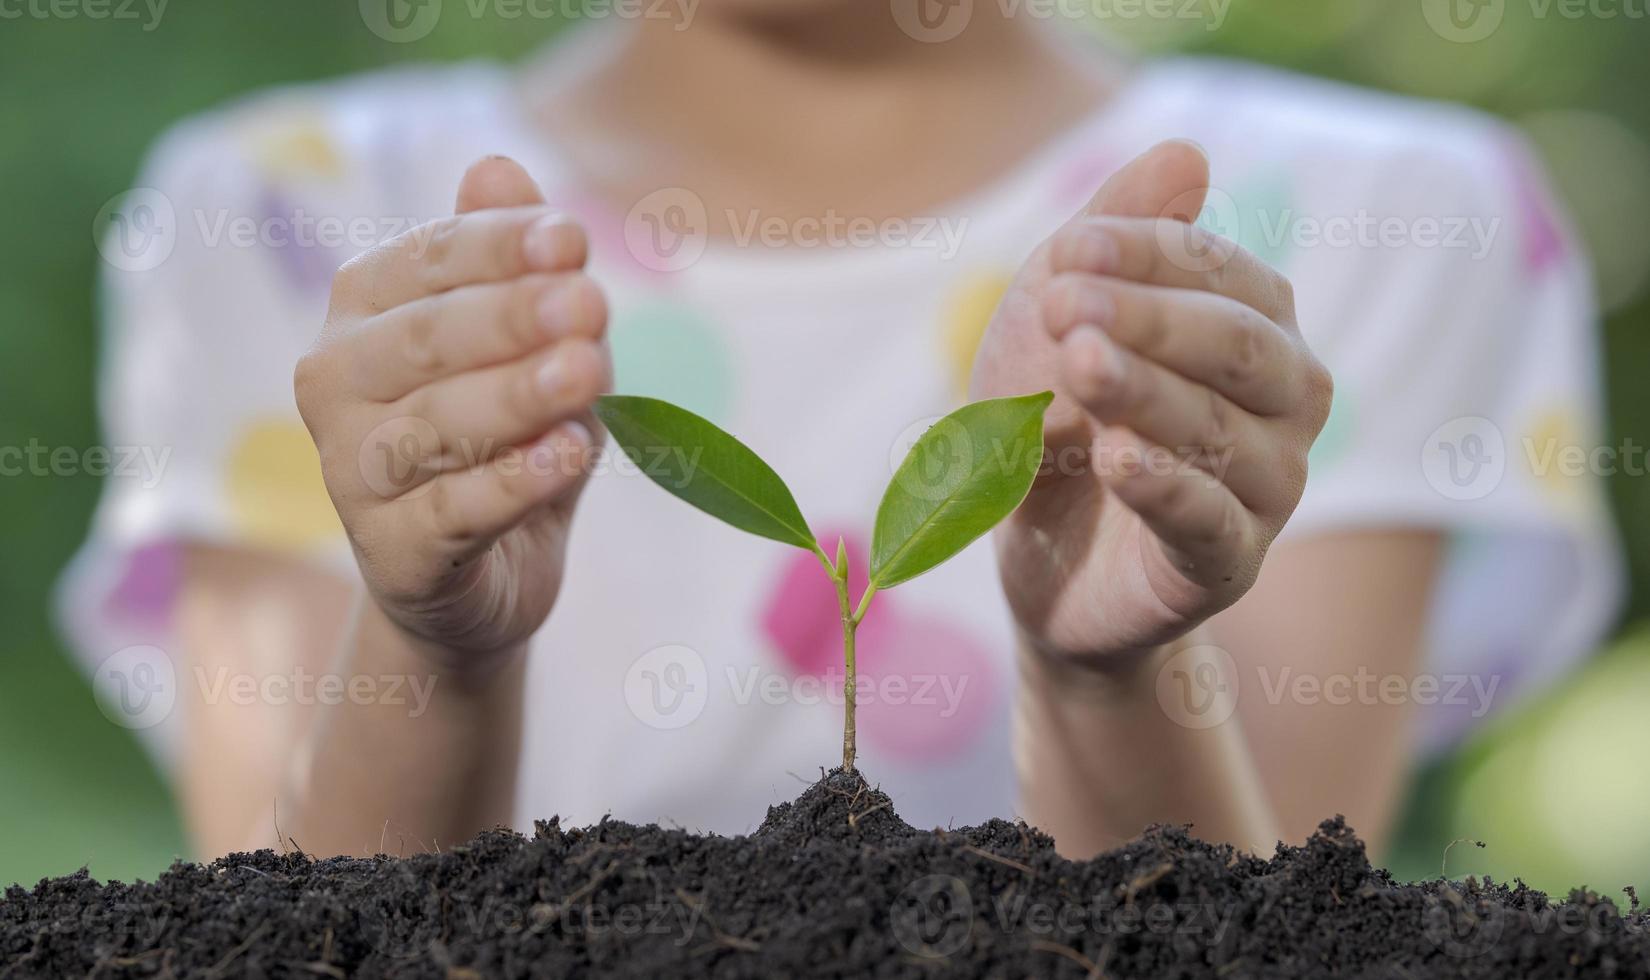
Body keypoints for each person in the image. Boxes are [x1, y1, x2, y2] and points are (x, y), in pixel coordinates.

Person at [63, 3, 1620, 863]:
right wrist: (433, 645)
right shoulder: (290, 216)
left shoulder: (1372, 221)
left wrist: (1108, 665)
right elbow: (302, 927)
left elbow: (1258, 925)